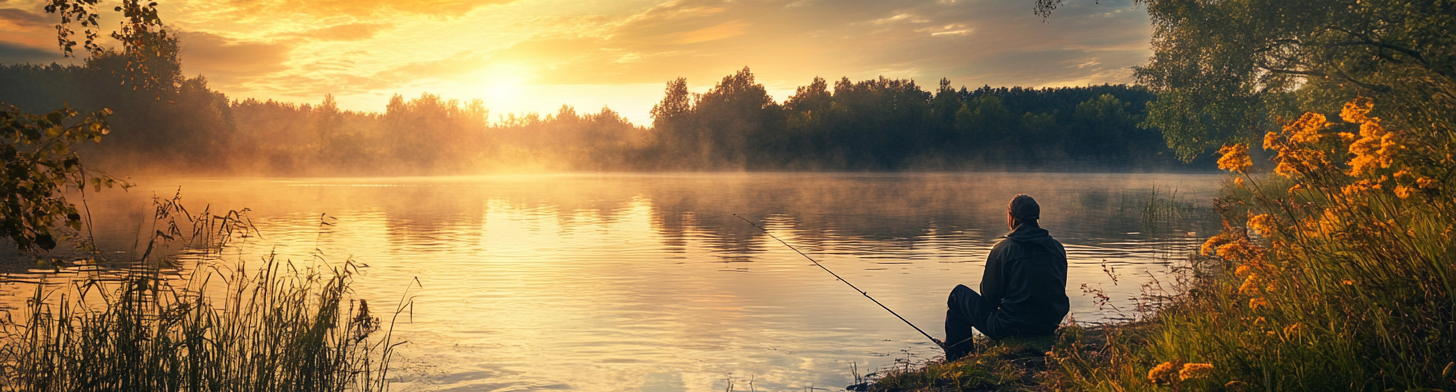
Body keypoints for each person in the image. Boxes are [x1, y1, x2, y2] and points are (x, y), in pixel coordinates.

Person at [937, 194, 1069, 361]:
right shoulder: (1057, 247)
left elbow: (989, 298)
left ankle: (958, 356)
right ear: (1037, 217)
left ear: (1011, 217)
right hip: (1050, 324)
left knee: (958, 296)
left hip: (1010, 328)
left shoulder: (1003, 249)